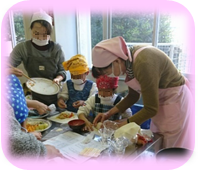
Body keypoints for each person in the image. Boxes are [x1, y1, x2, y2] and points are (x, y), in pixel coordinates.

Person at [91, 36, 193, 149]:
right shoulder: (129, 63)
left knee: (170, 149)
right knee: (159, 143)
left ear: (116, 61)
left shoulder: (144, 62)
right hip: (162, 104)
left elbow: (151, 109)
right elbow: (133, 96)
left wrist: (120, 124)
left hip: (174, 102)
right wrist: (107, 114)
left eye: (106, 72)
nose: (108, 76)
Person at [9, 10, 67, 106]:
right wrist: (11, 70)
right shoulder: (23, 48)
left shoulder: (56, 49)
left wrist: (58, 78)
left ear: (50, 32)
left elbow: (63, 71)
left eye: (45, 34)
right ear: (31, 29)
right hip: (33, 93)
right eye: (36, 33)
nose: (40, 38)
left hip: (54, 92)